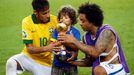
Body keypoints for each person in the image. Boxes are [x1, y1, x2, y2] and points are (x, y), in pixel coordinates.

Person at [58, 2, 130, 75]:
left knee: (98, 70)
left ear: (92, 21)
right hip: (102, 70)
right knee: (97, 69)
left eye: (83, 21)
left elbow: (95, 52)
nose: (80, 23)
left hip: (117, 68)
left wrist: (74, 41)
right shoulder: (86, 37)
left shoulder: (106, 32)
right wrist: (71, 62)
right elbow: (90, 61)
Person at [6, 0, 58, 75]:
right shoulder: (27, 22)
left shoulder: (55, 20)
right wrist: (47, 48)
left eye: (48, 12)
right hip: (28, 57)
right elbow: (29, 49)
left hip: (46, 62)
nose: (48, 15)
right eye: (44, 13)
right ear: (35, 12)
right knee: (11, 63)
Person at [51, 5, 81, 75]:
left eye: (66, 18)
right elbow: (53, 44)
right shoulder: (56, 30)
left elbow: (77, 47)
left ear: (72, 20)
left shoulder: (75, 32)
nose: (63, 19)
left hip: (71, 63)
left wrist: (68, 42)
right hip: (57, 63)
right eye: (61, 17)